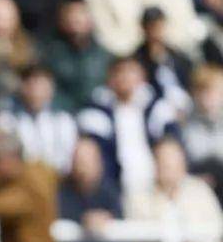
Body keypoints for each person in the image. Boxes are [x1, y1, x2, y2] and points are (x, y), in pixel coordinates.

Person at [126, 138, 223, 242]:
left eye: (175, 161)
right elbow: (138, 238)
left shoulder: (199, 190)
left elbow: (217, 228)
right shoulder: (140, 195)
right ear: (155, 164)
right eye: (165, 162)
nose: (170, 167)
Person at [77, 56, 180, 196]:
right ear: (110, 79)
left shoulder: (156, 107)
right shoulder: (96, 111)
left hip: (156, 181)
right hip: (115, 185)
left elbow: (172, 139)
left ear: (142, 77)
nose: (125, 78)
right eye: (119, 72)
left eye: (131, 72)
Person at [58, 137, 128, 242]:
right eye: (79, 161)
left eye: (88, 161)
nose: (83, 166)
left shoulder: (111, 193)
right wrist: (83, 220)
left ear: (100, 163)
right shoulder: (61, 193)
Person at [0, 65, 77, 175]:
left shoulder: (64, 121)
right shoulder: (7, 120)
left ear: (51, 89)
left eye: (41, 84)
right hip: (21, 178)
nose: (36, 91)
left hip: (57, 178)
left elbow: (67, 159)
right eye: (31, 84)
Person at [40, 0, 112, 112]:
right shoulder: (49, 54)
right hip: (61, 113)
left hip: (97, 112)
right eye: (70, 15)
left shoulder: (104, 56)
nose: (75, 20)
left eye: (80, 15)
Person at [182, 64, 223, 202]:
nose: (208, 97)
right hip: (196, 188)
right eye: (202, 91)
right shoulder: (185, 124)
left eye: (213, 91)